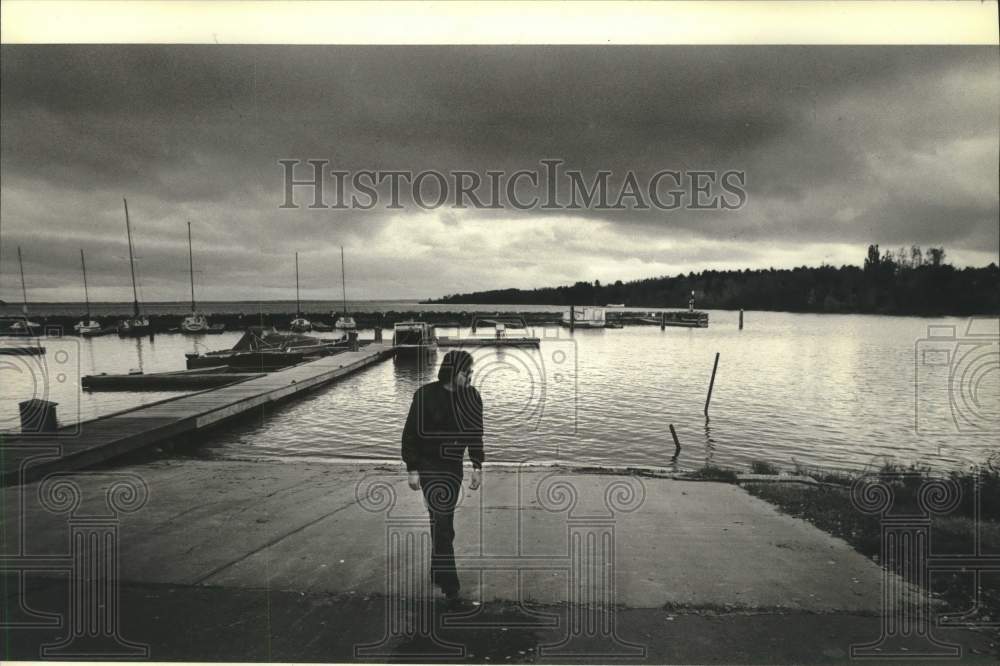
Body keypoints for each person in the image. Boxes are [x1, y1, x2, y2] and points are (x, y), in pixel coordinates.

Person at [401, 350, 484, 601]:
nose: (470, 376)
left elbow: (475, 433)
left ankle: (438, 569)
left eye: (471, 371)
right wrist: (412, 469)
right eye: (466, 372)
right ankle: (450, 585)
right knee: (443, 520)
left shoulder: (472, 397)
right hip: (428, 466)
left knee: (440, 521)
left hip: (453, 467)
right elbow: (410, 434)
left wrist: (477, 465)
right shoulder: (425, 395)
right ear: (453, 372)